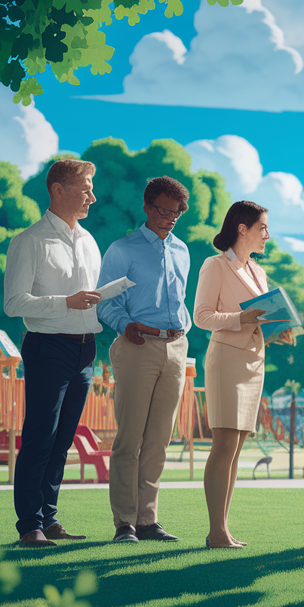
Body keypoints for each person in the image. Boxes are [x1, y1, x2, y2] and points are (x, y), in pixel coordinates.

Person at [3, 158, 102, 547]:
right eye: (85, 188)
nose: (92, 197)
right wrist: (66, 302)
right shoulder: (29, 241)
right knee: (41, 436)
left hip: (85, 349)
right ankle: (29, 523)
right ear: (58, 190)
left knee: (63, 440)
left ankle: (48, 516)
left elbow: (88, 299)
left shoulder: (90, 241)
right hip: (48, 347)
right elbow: (14, 303)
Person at [97, 176, 192, 544]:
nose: (169, 218)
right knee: (130, 438)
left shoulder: (183, 250)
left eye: (176, 213)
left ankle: (148, 520)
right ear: (147, 206)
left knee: (158, 440)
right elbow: (106, 301)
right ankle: (125, 523)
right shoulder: (123, 250)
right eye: (163, 210)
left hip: (176, 348)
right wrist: (125, 325)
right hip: (138, 345)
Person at [194, 200, 291, 548]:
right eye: (263, 228)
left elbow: (260, 317)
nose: (267, 235)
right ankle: (215, 531)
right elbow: (202, 317)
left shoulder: (258, 271)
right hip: (226, 360)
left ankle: (223, 528)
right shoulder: (215, 265)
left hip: (253, 363)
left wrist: (278, 331)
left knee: (235, 448)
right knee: (223, 446)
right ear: (242, 229)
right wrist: (242, 318)